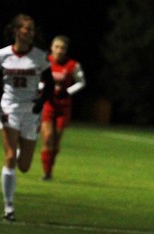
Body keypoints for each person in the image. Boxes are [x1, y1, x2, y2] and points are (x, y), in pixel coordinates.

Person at [0, 14, 54, 222]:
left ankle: (18, 150)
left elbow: (49, 84)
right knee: (9, 157)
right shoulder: (1, 55)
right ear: (16, 32)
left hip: (31, 112)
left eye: (32, 29)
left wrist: (41, 102)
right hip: (10, 108)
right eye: (26, 29)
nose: (30, 33)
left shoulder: (40, 57)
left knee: (24, 165)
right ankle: (9, 207)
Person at [40, 35, 86, 180]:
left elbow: (81, 81)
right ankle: (46, 173)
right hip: (48, 104)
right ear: (51, 48)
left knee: (56, 142)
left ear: (66, 50)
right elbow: (36, 80)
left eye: (62, 48)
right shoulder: (44, 62)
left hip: (63, 106)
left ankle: (50, 168)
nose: (59, 50)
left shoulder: (72, 65)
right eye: (57, 47)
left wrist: (67, 92)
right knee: (47, 138)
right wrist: (45, 89)